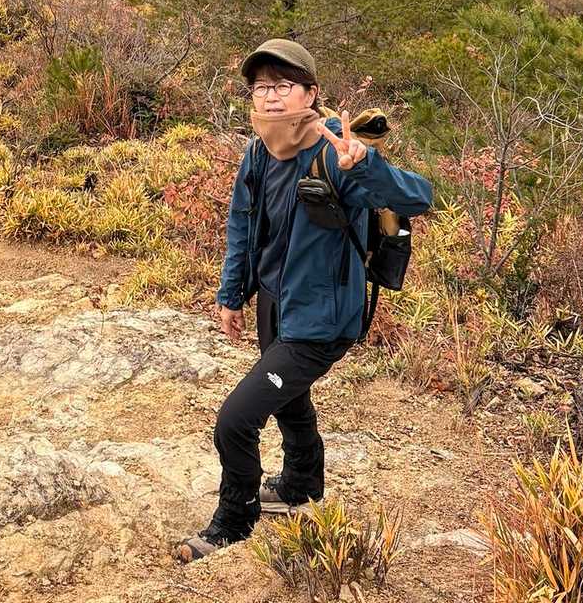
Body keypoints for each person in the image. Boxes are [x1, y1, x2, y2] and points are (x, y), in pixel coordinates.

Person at [177, 39, 432, 562]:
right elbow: (243, 227)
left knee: (235, 421)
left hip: (321, 318)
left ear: (310, 94)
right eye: (260, 87)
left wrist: (364, 165)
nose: (270, 97)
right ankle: (300, 486)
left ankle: (235, 520)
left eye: (283, 86)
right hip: (275, 304)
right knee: (289, 399)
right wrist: (232, 294)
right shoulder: (258, 151)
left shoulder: (336, 153)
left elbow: (419, 197)